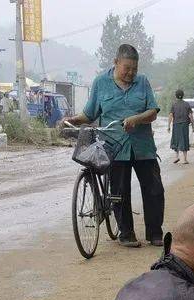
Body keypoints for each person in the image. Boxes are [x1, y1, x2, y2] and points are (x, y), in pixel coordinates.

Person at [67, 44, 164, 248]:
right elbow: (90, 114)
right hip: (114, 146)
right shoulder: (100, 83)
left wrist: (136, 119)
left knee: (154, 190)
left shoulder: (143, 82)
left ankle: (155, 233)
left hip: (143, 146)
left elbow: (153, 111)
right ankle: (126, 233)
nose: (130, 73)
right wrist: (74, 120)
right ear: (116, 63)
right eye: (126, 68)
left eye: (134, 69)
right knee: (119, 192)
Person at [168, 89, 193, 165]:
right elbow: (190, 115)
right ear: (183, 95)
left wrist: (168, 126)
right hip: (185, 125)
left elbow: (171, 115)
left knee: (176, 140)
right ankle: (185, 159)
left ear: (176, 96)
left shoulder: (174, 104)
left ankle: (176, 157)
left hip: (176, 125)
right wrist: (193, 126)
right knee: (185, 140)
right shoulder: (186, 104)